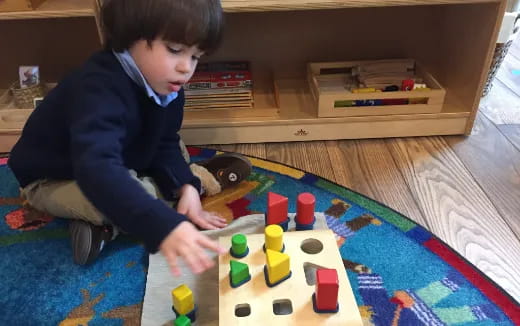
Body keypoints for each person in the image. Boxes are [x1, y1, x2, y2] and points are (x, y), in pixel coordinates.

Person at [7, 0, 252, 277]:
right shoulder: (97, 88)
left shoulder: (168, 84)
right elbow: (96, 170)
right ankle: (106, 223)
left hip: (124, 154)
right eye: (174, 50)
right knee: (131, 196)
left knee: (175, 159)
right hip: (54, 177)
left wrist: (186, 187)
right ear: (129, 36)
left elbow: (165, 140)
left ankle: (188, 186)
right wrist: (164, 226)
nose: (187, 68)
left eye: (196, 56)